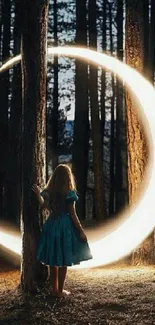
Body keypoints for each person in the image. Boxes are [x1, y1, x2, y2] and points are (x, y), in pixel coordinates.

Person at [32, 164, 92, 297]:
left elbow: (43, 206)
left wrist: (38, 195)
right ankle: (60, 291)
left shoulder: (49, 192)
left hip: (51, 225)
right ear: (68, 178)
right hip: (65, 227)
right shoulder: (69, 193)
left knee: (53, 260)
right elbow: (73, 214)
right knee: (64, 260)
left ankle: (54, 290)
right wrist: (81, 231)